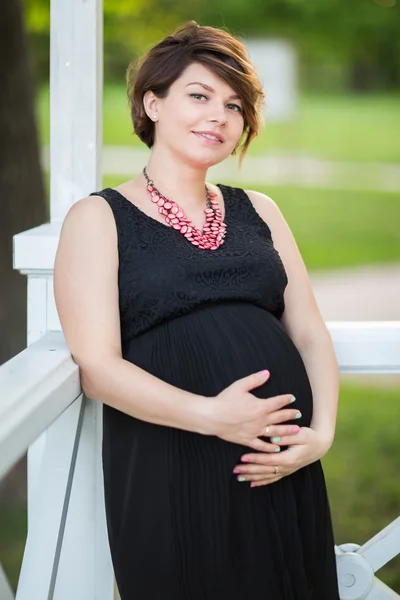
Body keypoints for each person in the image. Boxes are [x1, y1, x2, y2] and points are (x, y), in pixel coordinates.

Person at [54, 20, 340, 600]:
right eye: (200, 96)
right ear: (153, 103)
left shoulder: (260, 210)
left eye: (235, 106)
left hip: (280, 464)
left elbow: (309, 334)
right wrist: (214, 416)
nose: (219, 116)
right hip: (172, 462)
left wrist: (322, 435)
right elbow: (97, 366)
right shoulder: (98, 218)